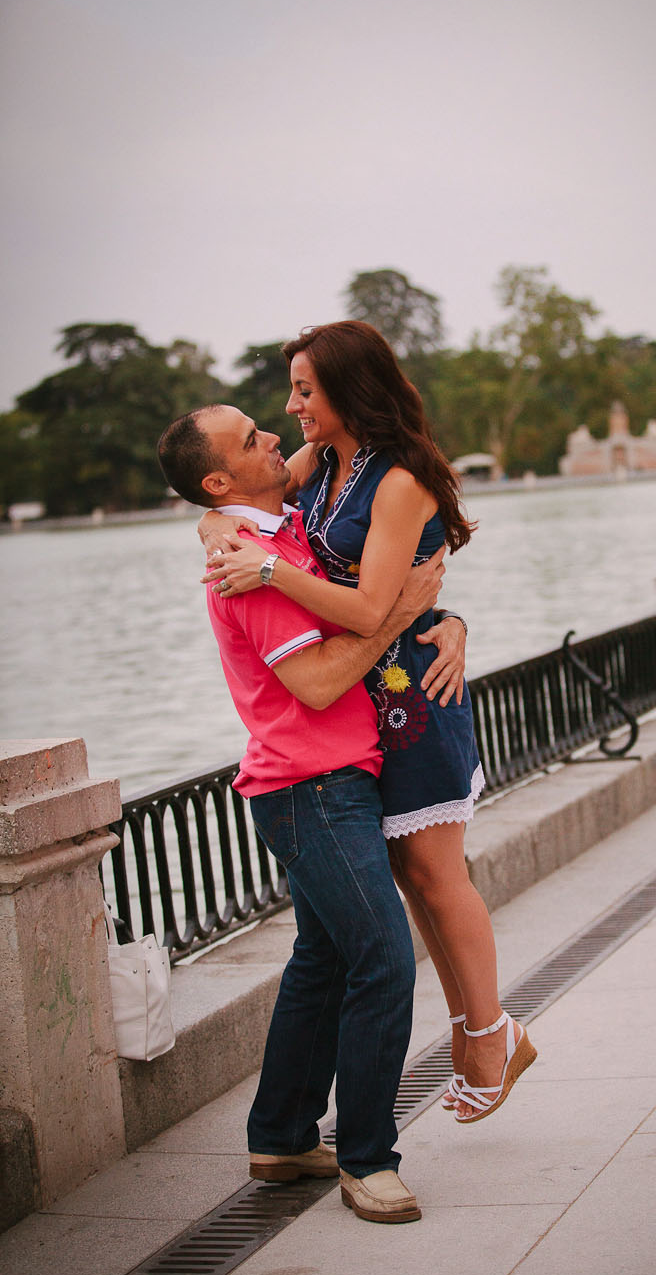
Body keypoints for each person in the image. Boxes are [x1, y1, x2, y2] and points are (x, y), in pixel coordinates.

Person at [198, 321, 536, 1124]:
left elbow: (375, 606)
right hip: (362, 701)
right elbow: (243, 503)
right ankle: (473, 1035)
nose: (292, 408)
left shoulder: (400, 478)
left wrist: (271, 568)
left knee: (435, 874)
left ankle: (492, 1034)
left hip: (414, 696)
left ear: (350, 390)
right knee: (411, 880)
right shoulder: (319, 465)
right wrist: (215, 527)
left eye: (306, 391)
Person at [157, 402, 447, 1224]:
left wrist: (443, 615)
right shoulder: (243, 561)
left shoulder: (273, 528)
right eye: (252, 439)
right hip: (310, 788)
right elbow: (317, 682)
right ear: (218, 481)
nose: (275, 436)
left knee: (324, 962)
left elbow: (332, 440)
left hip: (323, 781)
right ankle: (367, 1159)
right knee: (385, 960)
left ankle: (282, 1138)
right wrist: (405, 607)